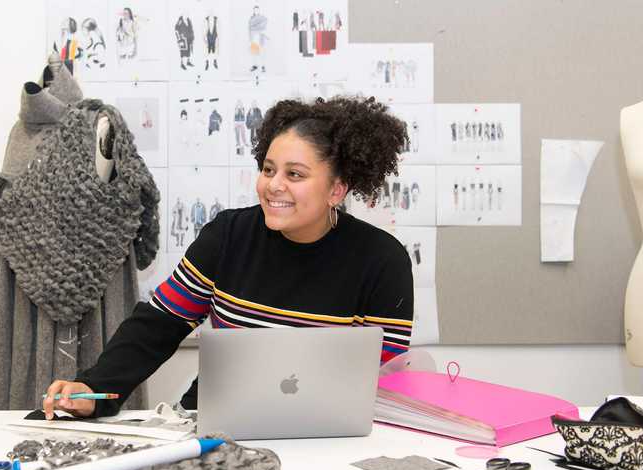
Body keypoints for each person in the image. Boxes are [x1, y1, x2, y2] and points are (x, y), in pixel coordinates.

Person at [43, 96, 414, 419]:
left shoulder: (382, 261)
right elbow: (159, 324)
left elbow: (385, 380)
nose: (274, 185)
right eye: (268, 169)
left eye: (295, 174)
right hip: (212, 419)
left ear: (336, 190)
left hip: (327, 435)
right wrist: (94, 390)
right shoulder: (229, 235)